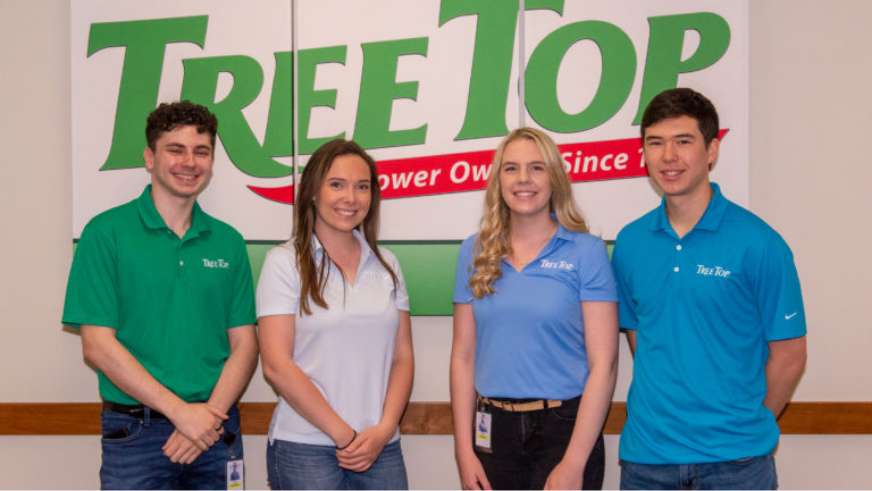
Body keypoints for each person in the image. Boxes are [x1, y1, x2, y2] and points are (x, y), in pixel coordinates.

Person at [612, 88, 808, 490]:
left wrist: (745, 424)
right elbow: (640, 339)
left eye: (684, 141)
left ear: (712, 150)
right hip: (648, 461)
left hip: (736, 466)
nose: (669, 156)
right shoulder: (630, 244)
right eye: (656, 143)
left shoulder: (760, 244)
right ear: (644, 153)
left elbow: (789, 356)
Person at [62, 101, 258, 489]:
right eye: (176, 149)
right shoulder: (105, 234)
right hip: (136, 433)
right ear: (150, 158)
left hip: (215, 429)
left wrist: (206, 417)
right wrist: (181, 414)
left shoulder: (229, 242)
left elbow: (246, 345)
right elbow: (97, 347)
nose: (190, 161)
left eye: (201, 151)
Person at [451, 127, 619, 490]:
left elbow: (604, 364)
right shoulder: (473, 251)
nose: (523, 179)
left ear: (554, 178)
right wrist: (463, 451)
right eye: (511, 168)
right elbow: (463, 357)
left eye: (537, 168)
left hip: (564, 430)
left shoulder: (586, 251)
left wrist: (574, 463)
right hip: (491, 432)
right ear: (498, 180)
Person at [257, 139, 414, 490]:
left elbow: (402, 358)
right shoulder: (284, 263)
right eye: (337, 185)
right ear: (313, 191)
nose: (351, 198)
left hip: (380, 447)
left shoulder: (388, 264)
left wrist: (385, 429)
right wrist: (344, 435)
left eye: (362, 187)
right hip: (305, 447)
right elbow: (276, 366)